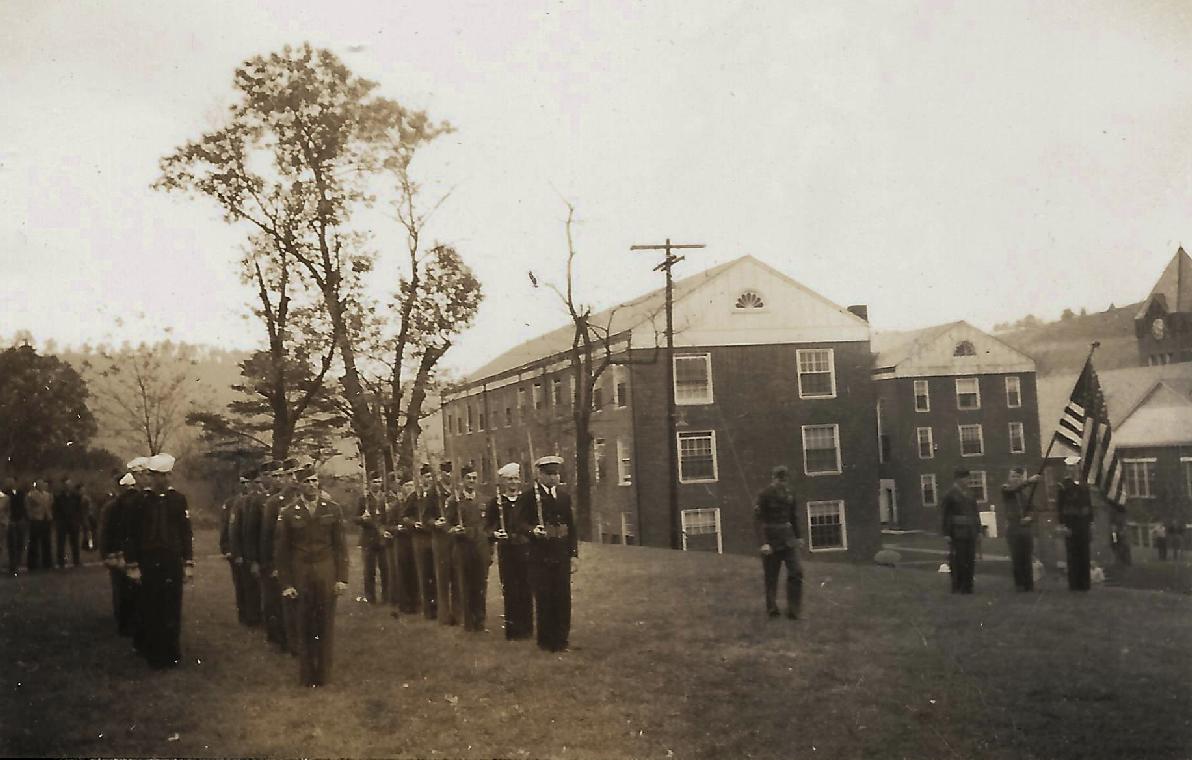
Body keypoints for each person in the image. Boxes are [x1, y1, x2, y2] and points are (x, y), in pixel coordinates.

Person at [275, 462, 349, 688]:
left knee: (325, 623)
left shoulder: (332, 509)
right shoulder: (288, 513)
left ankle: (324, 674)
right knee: (304, 623)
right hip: (301, 572)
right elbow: (282, 551)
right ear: (299, 485)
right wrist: (286, 583)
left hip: (326, 571)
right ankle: (307, 675)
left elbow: (340, 547)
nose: (312, 485)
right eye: (307, 481)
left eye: (315, 480)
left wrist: (341, 579)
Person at [124, 453, 193, 669]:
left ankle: (171, 652)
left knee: (172, 606)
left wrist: (188, 562)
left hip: (171, 560)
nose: (160, 480)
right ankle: (154, 654)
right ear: (150, 477)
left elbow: (185, 533)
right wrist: (133, 564)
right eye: (156, 476)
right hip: (148, 560)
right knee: (151, 606)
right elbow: (130, 535)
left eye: (164, 476)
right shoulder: (139, 502)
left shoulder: (178, 500)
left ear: (170, 477)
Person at [517, 456, 578, 652]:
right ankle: (546, 641)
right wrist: (533, 530)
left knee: (562, 597)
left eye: (556, 474)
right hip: (539, 555)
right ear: (540, 475)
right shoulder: (528, 497)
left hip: (560, 555)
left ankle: (562, 640)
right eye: (550, 474)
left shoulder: (564, 497)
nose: (554, 478)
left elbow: (571, 527)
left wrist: (573, 554)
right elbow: (517, 523)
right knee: (544, 598)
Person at [487, 462, 533, 640]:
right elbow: (487, 527)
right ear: (503, 482)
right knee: (510, 589)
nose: (513, 482)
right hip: (506, 550)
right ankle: (513, 631)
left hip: (525, 548)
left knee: (526, 588)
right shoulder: (496, 502)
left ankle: (527, 629)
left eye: (515, 479)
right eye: (509, 479)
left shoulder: (526, 501)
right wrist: (494, 533)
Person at [753, 465, 803, 618]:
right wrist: (763, 543)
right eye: (779, 479)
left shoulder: (790, 494)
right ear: (773, 478)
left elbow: (793, 516)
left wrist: (798, 536)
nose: (782, 483)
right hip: (771, 540)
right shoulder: (764, 494)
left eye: (784, 479)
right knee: (771, 576)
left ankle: (794, 611)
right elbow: (758, 519)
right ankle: (772, 609)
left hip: (788, 539)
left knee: (796, 571)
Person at [446, 465, 490, 632]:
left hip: (480, 548)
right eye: (468, 478)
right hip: (463, 548)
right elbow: (447, 524)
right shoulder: (454, 501)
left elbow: (488, 525)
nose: (471, 481)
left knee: (481, 586)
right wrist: (453, 529)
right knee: (465, 585)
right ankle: (469, 623)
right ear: (462, 480)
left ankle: (480, 622)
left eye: (474, 478)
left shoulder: (484, 500)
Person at [258, 461, 293, 652]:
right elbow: (266, 536)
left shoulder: (296, 499)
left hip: (295, 559)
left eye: (286, 476)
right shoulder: (272, 503)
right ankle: (279, 638)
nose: (288, 479)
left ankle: (292, 638)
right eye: (280, 476)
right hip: (276, 558)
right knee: (276, 602)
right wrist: (269, 564)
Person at [402, 464, 439, 621]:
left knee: (437, 573)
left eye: (431, 476)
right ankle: (428, 610)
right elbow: (405, 516)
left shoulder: (437, 495)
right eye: (427, 477)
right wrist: (413, 523)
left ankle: (439, 608)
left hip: (435, 536)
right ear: (421, 479)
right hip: (420, 538)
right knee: (424, 572)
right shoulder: (415, 496)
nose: (429, 480)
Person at [231, 468, 264, 628]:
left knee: (258, 588)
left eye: (259, 482)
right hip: (246, 551)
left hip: (259, 550)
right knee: (247, 587)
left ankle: (257, 617)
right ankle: (250, 618)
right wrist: (237, 552)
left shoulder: (263, 499)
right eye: (255, 483)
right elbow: (236, 529)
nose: (258, 486)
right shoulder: (241, 502)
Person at [1056, 455, 1094, 592]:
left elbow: (1089, 505)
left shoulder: (1084, 484)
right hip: (1070, 524)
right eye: (1069, 467)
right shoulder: (1063, 486)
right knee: (1072, 555)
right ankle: (1074, 585)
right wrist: (1062, 525)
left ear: (1078, 467)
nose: (1071, 469)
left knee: (1084, 553)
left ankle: (1085, 585)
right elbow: (1059, 507)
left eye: (1073, 466)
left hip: (1083, 523)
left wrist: (1091, 522)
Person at [430, 462, 461, 626]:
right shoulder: (434, 492)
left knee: (457, 576)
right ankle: (443, 615)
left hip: (455, 538)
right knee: (442, 578)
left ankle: (458, 614)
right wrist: (435, 523)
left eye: (451, 472)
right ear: (441, 473)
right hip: (440, 540)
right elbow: (425, 516)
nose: (448, 475)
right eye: (445, 472)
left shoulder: (457, 491)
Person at [940, 468, 980, 594]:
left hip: (970, 532)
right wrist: (946, 533)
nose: (968, 480)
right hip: (956, 532)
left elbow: (975, 513)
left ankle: (968, 586)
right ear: (959, 479)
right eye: (966, 478)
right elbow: (945, 515)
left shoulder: (970, 494)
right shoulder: (950, 494)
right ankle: (958, 586)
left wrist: (978, 531)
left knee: (970, 559)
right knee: (958, 560)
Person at [1000, 467, 1040, 592]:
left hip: (1025, 528)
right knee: (1017, 557)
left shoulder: (1024, 495)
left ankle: (1029, 585)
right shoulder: (1006, 489)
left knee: (1027, 557)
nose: (1015, 479)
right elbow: (1014, 489)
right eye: (1013, 476)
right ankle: (1019, 585)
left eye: (1018, 477)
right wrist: (1029, 481)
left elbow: (1034, 510)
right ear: (1009, 478)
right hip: (1013, 527)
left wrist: (1029, 518)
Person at [219, 472, 251, 625]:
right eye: (243, 482)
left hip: (250, 550)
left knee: (252, 584)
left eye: (248, 482)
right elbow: (227, 527)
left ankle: (254, 616)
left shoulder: (256, 500)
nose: (246, 485)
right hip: (236, 549)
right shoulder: (231, 502)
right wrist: (226, 548)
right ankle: (244, 615)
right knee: (240, 584)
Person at [354, 477, 390, 605]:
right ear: (370, 483)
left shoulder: (386, 498)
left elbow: (389, 519)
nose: (377, 484)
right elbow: (355, 518)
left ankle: (387, 597)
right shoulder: (364, 499)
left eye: (379, 481)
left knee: (386, 569)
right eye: (374, 481)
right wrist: (362, 518)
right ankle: (370, 598)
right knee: (369, 570)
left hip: (383, 537)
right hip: (368, 538)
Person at [386, 477, 419, 615]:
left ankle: (416, 602)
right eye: (407, 485)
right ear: (402, 488)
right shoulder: (396, 506)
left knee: (415, 571)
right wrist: (396, 528)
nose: (410, 488)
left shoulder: (416, 504)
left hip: (414, 539)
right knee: (403, 571)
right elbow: (388, 525)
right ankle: (404, 603)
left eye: (412, 485)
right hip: (401, 542)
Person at [53, 477, 84, 568]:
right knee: (61, 543)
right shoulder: (58, 497)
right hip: (62, 523)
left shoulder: (76, 497)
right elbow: (55, 510)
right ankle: (61, 562)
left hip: (73, 522)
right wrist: (58, 521)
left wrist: (78, 520)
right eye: (66, 485)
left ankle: (76, 561)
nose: (67, 487)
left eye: (69, 485)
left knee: (75, 543)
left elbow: (79, 510)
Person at [26, 480, 54, 571]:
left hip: (46, 519)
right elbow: (29, 506)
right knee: (34, 542)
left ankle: (47, 563)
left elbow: (50, 505)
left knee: (46, 542)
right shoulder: (32, 495)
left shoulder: (48, 495)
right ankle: (33, 564)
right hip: (36, 519)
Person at [4, 477, 28, 576]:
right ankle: (13, 564)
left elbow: (23, 506)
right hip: (10, 520)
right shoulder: (5, 494)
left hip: (19, 519)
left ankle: (17, 563)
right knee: (12, 544)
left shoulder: (20, 493)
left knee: (20, 543)